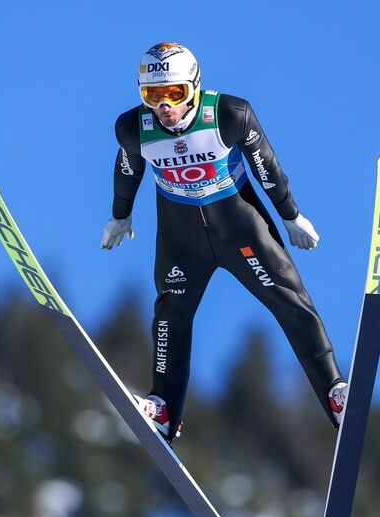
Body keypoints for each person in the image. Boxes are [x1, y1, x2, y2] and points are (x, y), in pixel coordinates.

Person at [101, 42, 347, 442]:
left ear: (195, 88)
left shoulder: (229, 115)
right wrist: (120, 215)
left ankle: (335, 393)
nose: (164, 106)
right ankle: (163, 408)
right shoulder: (134, 128)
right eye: (153, 95)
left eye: (174, 93)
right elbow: (127, 169)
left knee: (291, 302)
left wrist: (290, 216)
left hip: (240, 230)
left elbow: (267, 167)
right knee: (170, 315)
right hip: (182, 240)